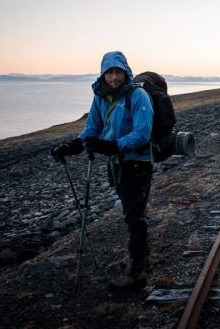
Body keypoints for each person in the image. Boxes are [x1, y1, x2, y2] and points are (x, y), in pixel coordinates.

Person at [51, 51, 154, 289]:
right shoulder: (101, 96)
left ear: (125, 72)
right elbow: (93, 128)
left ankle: (137, 271)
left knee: (134, 216)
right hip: (117, 164)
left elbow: (142, 133)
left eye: (118, 72)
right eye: (110, 73)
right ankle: (140, 260)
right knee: (133, 213)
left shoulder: (138, 96)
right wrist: (72, 147)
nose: (114, 77)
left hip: (138, 163)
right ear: (103, 74)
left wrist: (111, 146)